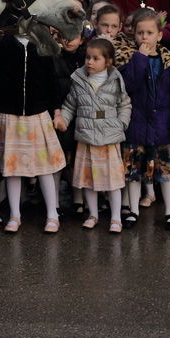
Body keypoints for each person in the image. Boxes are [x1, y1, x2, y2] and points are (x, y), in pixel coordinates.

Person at [114, 9, 170, 231]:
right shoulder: (129, 60)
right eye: (140, 33)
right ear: (133, 35)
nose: (145, 37)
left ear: (159, 35)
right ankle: (133, 210)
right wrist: (140, 59)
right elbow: (129, 86)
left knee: (165, 172)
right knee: (134, 172)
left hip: (162, 126)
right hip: (136, 125)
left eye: (149, 32)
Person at [0, 30, 67, 234]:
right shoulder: (3, 44)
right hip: (10, 113)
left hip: (38, 113)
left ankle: (52, 214)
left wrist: (56, 111)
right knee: (12, 169)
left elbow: (52, 82)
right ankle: (15, 214)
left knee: (45, 167)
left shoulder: (42, 45)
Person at [55, 37, 132, 232]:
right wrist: (63, 119)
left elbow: (124, 104)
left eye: (95, 58)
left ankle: (115, 218)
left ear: (108, 62)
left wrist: (122, 123)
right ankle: (93, 214)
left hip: (109, 136)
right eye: (88, 57)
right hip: (86, 137)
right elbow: (70, 105)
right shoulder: (79, 79)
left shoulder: (115, 79)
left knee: (113, 181)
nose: (89, 62)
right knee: (88, 180)